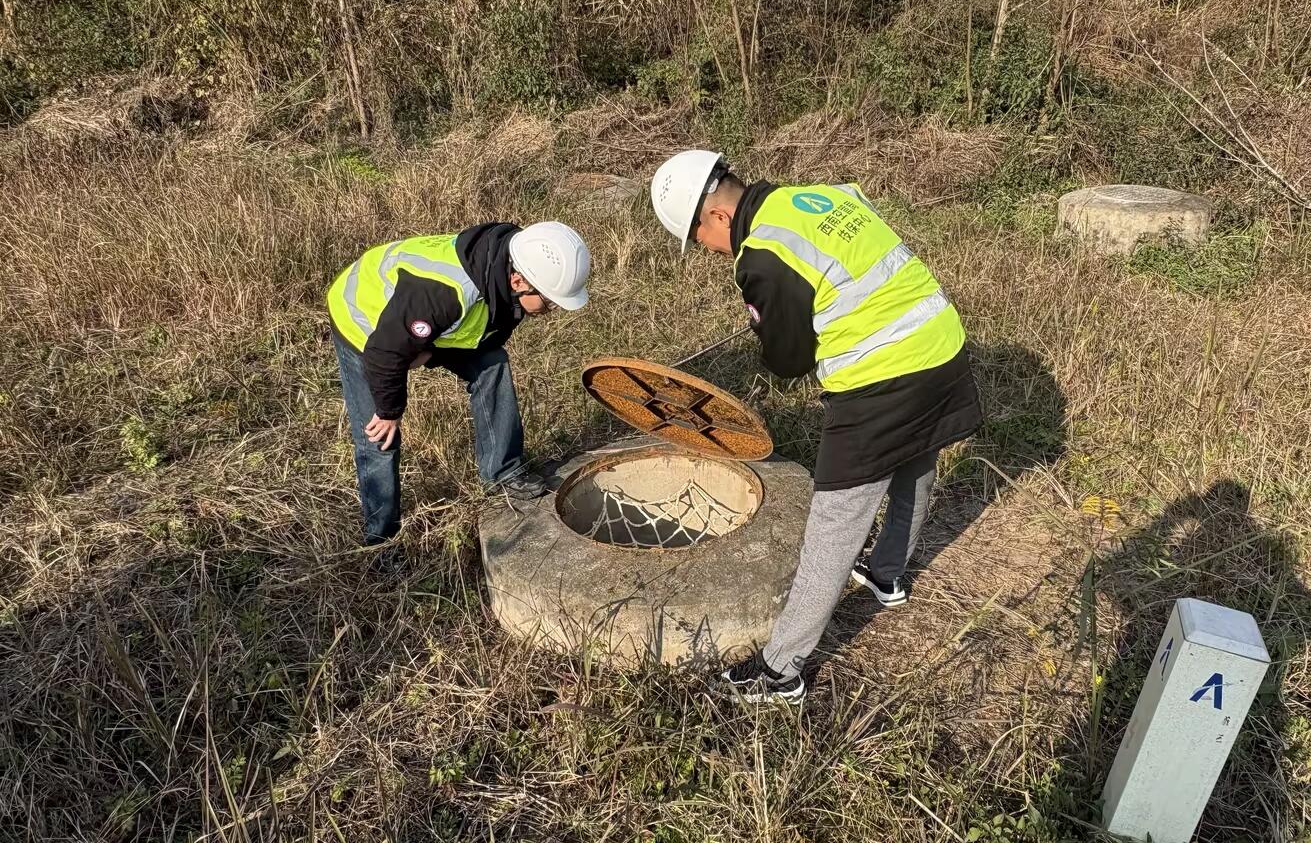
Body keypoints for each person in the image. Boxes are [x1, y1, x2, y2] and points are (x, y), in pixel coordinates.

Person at [650, 152, 983, 703]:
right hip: (940, 344)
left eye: (698, 239)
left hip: (881, 379)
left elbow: (788, 361)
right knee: (917, 459)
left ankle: (781, 671)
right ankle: (888, 574)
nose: (707, 250)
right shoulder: (821, 196)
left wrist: (768, 323)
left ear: (717, 217)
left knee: (834, 525)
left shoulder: (762, 256)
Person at [327, 219, 591, 545]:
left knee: (492, 364)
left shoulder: (503, 271)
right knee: (379, 437)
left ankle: (502, 471)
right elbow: (384, 353)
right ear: (518, 280)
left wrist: (428, 351)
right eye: (549, 301)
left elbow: (482, 334)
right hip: (363, 321)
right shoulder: (445, 293)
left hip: (411, 322)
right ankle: (380, 540)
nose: (552, 309)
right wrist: (389, 411)